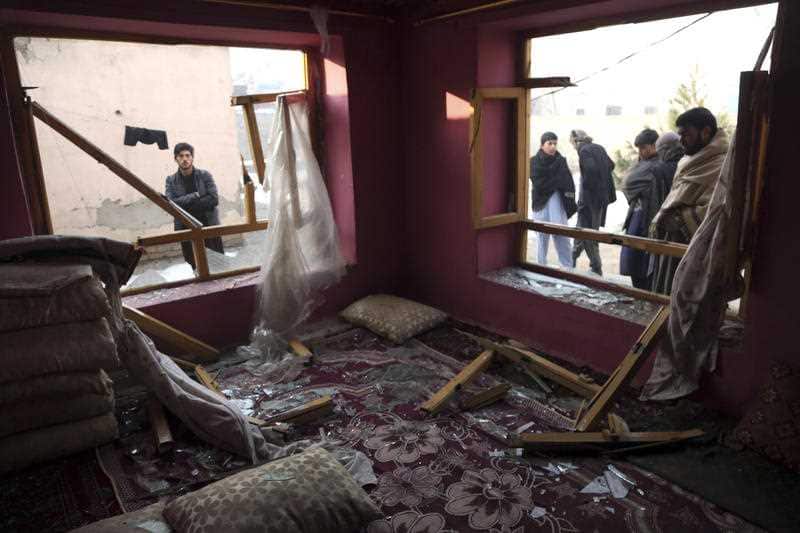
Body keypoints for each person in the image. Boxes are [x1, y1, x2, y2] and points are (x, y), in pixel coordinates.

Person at [649, 107, 729, 294]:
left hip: (698, 253)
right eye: (680, 135)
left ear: (706, 132)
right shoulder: (689, 160)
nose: (682, 141)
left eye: (687, 135)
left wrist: (678, 219)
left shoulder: (722, 164)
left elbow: (717, 211)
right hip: (672, 247)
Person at [165, 142, 224, 269]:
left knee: (218, 264)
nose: (185, 159)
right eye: (181, 156)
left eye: (188, 155)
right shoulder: (170, 180)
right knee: (194, 266)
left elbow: (214, 199)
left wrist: (186, 206)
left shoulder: (204, 175)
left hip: (208, 225)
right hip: (186, 228)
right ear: (175, 159)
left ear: (192, 157)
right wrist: (194, 196)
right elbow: (170, 204)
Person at [570, 129, 616, 276]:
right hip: (600, 199)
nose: (572, 145)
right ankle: (571, 260)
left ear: (577, 140)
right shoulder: (598, 147)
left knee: (588, 233)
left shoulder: (583, 150)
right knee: (581, 230)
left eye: (572, 141)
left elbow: (590, 171)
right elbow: (611, 164)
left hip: (589, 200)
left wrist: (589, 189)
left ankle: (596, 266)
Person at [619, 128, 660, 289]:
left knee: (643, 262)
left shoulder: (655, 165)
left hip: (648, 217)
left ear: (654, 146)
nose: (641, 152)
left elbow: (628, 182)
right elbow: (627, 183)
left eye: (644, 148)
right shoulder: (643, 164)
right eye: (639, 148)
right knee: (634, 258)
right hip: (638, 215)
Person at [530, 132, 577, 267]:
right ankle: (541, 266)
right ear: (542, 145)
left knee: (561, 234)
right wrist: (556, 182)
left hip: (557, 202)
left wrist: (555, 184)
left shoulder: (560, 160)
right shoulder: (534, 161)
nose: (553, 146)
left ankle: (567, 267)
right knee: (541, 236)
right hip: (540, 203)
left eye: (555, 143)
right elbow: (538, 183)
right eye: (549, 143)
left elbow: (568, 182)